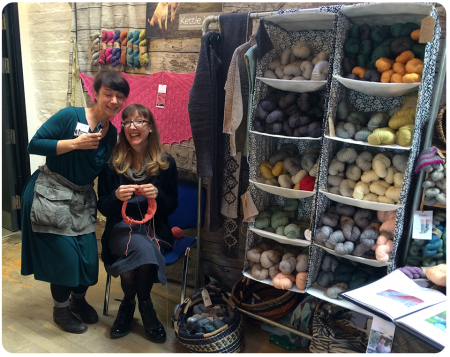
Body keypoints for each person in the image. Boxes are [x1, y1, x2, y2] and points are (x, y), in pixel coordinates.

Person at [21, 70, 130, 334]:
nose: (114, 101)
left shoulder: (112, 132)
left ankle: (78, 301)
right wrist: (73, 143)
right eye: (108, 94)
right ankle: (61, 311)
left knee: (88, 260)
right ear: (96, 94)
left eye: (120, 96)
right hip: (51, 193)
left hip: (81, 199)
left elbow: (104, 169)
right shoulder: (70, 116)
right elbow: (33, 144)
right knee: (65, 260)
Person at [97, 104, 178, 343]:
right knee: (142, 248)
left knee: (140, 254)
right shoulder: (112, 164)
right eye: (127, 122)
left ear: (150, 127)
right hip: (120, 228)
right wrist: (115, 197)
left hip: (155, 229)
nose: (133, 126)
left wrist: (158, 196)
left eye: (140, 121)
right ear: (122, 128)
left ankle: (129, 306)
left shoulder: (166, 163)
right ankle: (146, 308)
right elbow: (103, 206)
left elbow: (171, 205)